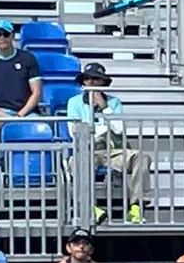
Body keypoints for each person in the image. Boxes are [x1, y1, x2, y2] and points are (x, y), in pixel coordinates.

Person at [65, 62, 152, 225]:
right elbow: (74, 132)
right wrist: (102, 129)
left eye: (95, 78)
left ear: (103, 82)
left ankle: (136, 207)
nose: (90, 82)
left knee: (141, 158)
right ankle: (91, 208)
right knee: (76, 163)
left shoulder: (114, 102)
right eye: (87, 78)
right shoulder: (74, 102)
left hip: (113, 151)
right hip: (87, 150)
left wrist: (105, 108)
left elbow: (119, 129)